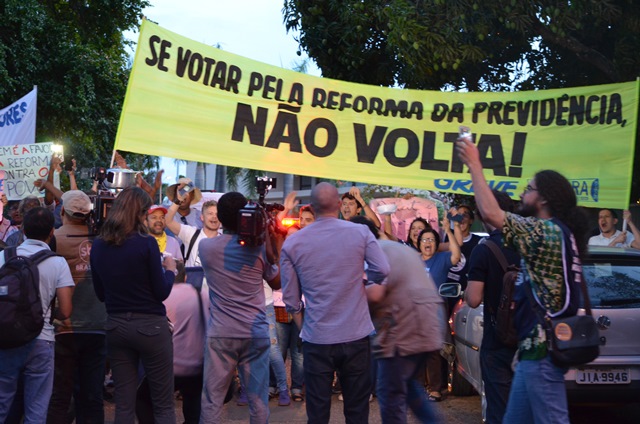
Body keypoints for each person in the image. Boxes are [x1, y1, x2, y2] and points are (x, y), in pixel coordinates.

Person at [457, 135, 589, 424]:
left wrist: (474, 165)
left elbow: (492, 214)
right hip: (532, 353)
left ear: (543, 198)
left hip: (541, 354)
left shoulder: (546, 231)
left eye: (528, 189)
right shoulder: (554, 234)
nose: (522, 195)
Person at [280, 182, 390, 424]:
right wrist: (361, 281)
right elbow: (382, 269)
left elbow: (290, 299)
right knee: (357, 410)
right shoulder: (359, 233)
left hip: (317, 337)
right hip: (356, 333)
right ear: (340, 205)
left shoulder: (293, 242)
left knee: (318, 413)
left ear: (313, 208)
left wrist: (303, 326)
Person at [90, 186, 177, 423]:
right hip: (150, 326)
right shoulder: (146, 243)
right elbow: (161, 292)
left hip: (116, 326)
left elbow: (100, 294)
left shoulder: (98, 245)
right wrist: (170, 271)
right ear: (139, 212)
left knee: (124, 406)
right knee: (163, 405)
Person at [199, 192, 280, 424]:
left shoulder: (206, 248)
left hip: (221, 333)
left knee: (212, 398)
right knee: (258, 400)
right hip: (254, 332)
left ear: (221, 219)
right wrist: (268, 238)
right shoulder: (258, 249)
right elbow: (277, 282)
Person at [355, 217, 444, 424]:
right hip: (428, 322)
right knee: (407, 384)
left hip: (404, 329)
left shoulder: (375, 252)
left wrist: (347, 292)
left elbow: (376, 294)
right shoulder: (394, 247)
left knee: (390, 392)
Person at [0, 207, 74, 423]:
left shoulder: (3, 256)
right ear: (52, 232)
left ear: (22, 229)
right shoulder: (57, 262)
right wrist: (54, 318)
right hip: (42, 339)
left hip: (5, 338)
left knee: (2, 404)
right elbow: (67, 310)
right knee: (37, 409)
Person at [47, 191, 108, 424]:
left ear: (62, 211)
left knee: (60, 396)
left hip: (64, 327)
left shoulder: (54, 239)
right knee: (92, 396)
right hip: (97, 325)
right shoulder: (102, 239)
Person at [464, 190, 520, 424]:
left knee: (500, 408)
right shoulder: (530, 243)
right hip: (532, 340)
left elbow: (474, 299)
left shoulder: (484, 249)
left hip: (498, 341)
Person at [136, 261, 208, 424]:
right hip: (197, 367)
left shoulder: (157, 297)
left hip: (166, 367)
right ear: (186, 276)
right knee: (193, 397)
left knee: (141, 399)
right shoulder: (200, 293)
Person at [417, 219, 460, 402]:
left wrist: (448, 232)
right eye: (425, 240)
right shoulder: (412, 259)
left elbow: (456, 255)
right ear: (419, 244)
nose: (428, 243)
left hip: (434, 309)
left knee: (433, 349)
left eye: (432, 240)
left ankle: (435, 389)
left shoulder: (442, 259)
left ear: (437, 244)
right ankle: (418, 388)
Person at [166, 198, 220, 267]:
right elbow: (168, 221)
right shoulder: (191, 233)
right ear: (202, 217)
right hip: (192, 277)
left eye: (217, 214)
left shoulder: (224, 242)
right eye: (210, 213)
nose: (214, 217)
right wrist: (178, 200)